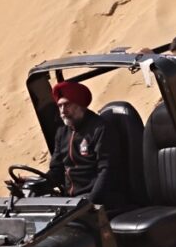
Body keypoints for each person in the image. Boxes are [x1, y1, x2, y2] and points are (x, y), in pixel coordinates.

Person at [46, 80, 126, 212]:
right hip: (72, 201)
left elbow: (107, 171)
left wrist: (90, 203)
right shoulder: (62, 133)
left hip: (100, 201)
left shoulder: (100, 129)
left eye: (67, 104)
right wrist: (36, 184)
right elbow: (57, 170)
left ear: (80, 104)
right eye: (60, 106)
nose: (63, 111)